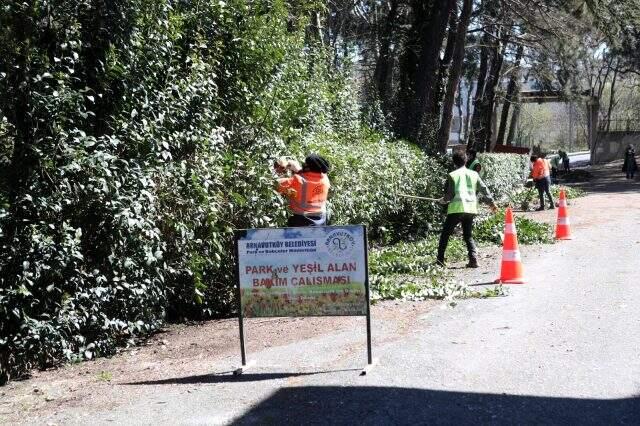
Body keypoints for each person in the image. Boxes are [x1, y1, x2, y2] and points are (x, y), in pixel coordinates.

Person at [437, 151, 498, 268]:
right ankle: (473, 259)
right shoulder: (474, 174)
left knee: (445, 234)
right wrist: (492, 203)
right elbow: (484, 189)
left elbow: (449, 196)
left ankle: (440, 260)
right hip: (470, 209)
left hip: (457, 209)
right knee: (468, 235)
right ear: (466, 161)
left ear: (454, 162)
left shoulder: (452, 175)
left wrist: (442, 200)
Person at [276, 154, 331, 227]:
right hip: (321, 220)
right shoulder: (325, 179)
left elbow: (274, 184)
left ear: (308, 167)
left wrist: (280, 168)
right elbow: (310, 176)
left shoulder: (297, 181)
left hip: (301, 221)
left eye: (305, 164)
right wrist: (298, 169)